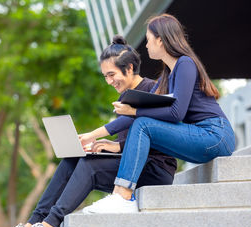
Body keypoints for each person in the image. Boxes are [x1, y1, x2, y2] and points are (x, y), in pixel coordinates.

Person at [0, 35, 177, 227]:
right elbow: (129, 142)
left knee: (90, 166)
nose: (109, 81)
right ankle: (33, 222)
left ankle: (52, 225)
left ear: (130, 68)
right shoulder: (123, 98)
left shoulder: (154, 89)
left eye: (111, 74)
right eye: (105, 76)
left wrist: (111, 143)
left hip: (155, 169)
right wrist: (104, 146)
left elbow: (157, 137)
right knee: (72, 158)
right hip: (131, 165)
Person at [80, 14, 235, 210]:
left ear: (160, 40)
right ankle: (123, 195)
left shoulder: (185, 63)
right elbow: (132, 116)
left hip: (215, 135)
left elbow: (176, 113)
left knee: (142, 122)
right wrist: (91, 136)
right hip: (200, 136)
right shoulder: (166, 76)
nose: (146, 45)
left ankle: (123, 195)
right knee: (141, 121)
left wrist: (135, 111)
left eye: (148, 39)